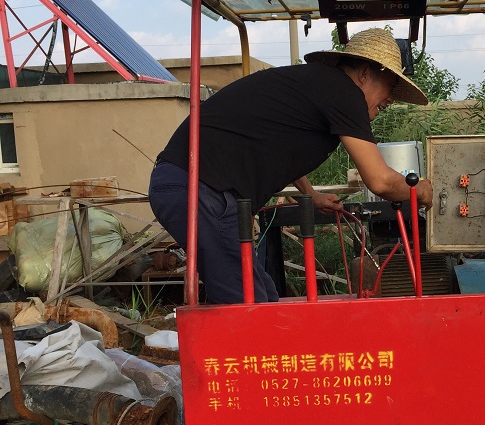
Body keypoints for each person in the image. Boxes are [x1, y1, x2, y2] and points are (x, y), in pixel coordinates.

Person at [148, 28, 433, 304]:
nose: (391, 97)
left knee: (264, 298)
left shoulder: (320, 86)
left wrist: (311, 194)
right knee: (245, 304)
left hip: (197, 187)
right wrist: (421, 190)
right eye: (391, 85)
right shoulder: (344, 92)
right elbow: (380, 181)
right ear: (365, 73)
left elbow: (281, 144)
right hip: (199, 188)